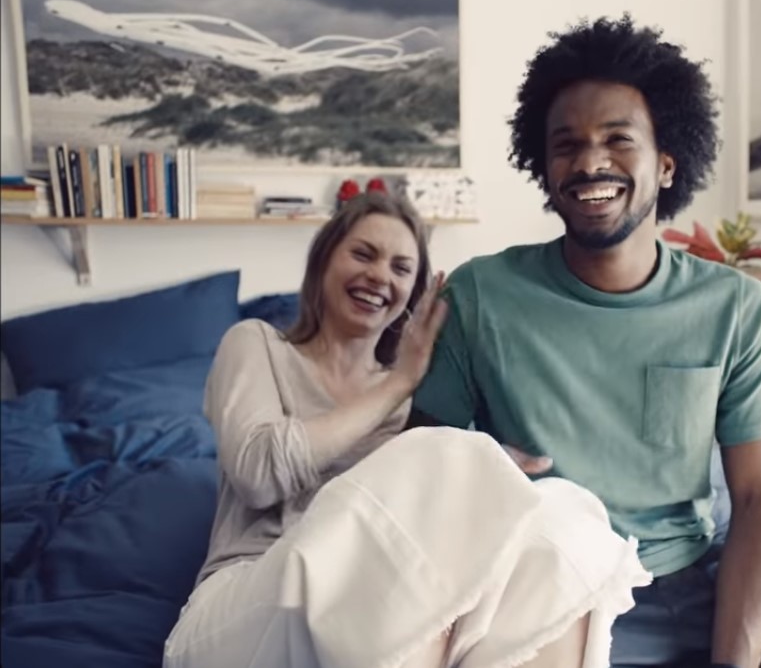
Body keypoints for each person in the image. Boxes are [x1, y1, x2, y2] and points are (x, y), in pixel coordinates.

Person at [409, 15, 761, 668]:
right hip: (549, 593)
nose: (589, 161)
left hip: (697, 585)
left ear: (665, 163)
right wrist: (478, 466)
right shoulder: (481, 294)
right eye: (566, 144)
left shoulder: (734, 307)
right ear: (543, 167)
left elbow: (757, 499)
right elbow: (422, 466)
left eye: (617, 139)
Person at [162, 191, 652, 668]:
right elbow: (258, 473)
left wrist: (490, 465)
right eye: (363, 254)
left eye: (401, 268)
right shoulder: (256, 344)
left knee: (562, 518)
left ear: (413, 292)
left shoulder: (411, 407)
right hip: (243, 609)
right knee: (435, 457)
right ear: (323, 261)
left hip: (362, 613)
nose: (380, 275)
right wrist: (398, 384)